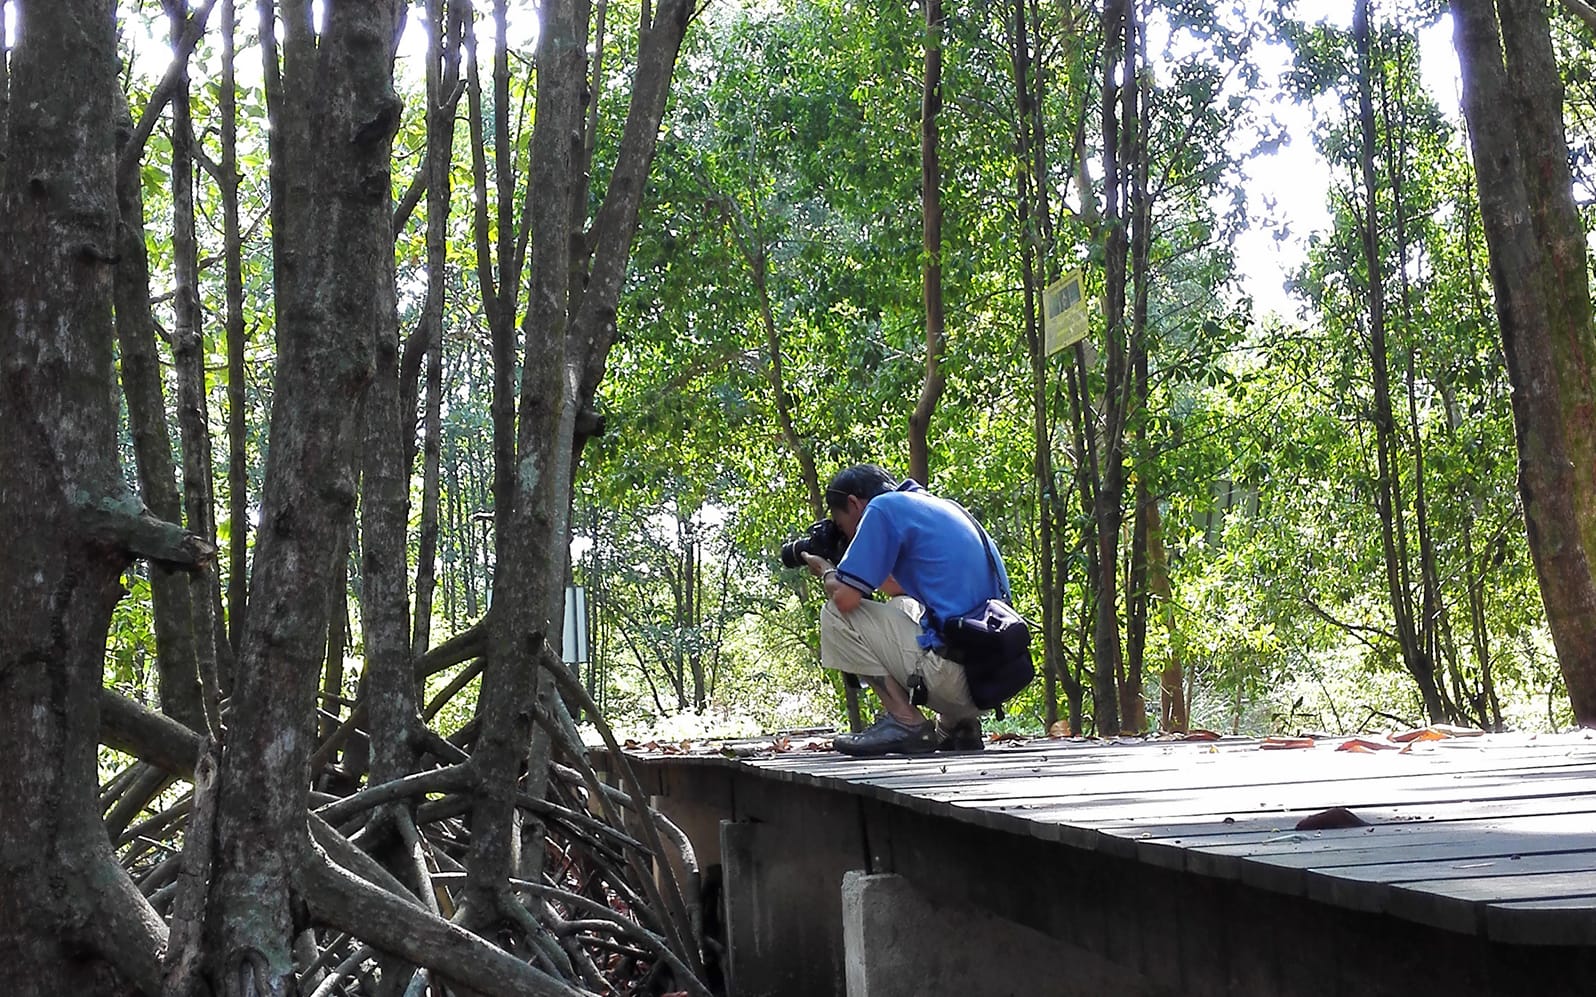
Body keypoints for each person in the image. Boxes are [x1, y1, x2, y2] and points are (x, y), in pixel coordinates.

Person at [802, 464, 1011, 756]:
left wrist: (826, 570)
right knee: (904, 604)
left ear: (854, 503)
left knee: (836, 614)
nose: (846, 534)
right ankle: (960, 725)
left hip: (953, 679)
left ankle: (906, 722)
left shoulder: (881, 508)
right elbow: (896, 589)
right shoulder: (939, 507)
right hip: (990, 680)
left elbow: (845, 600)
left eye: (841, 524)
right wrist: (853, 562)